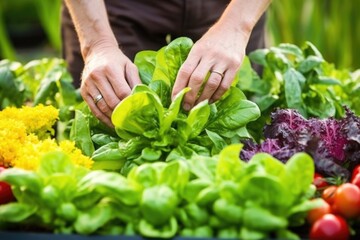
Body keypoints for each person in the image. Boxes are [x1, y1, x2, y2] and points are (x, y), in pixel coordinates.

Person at [61, 0, 271, 127]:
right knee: (111, 113)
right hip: (111, 9)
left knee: (239, 133)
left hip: (233, 6)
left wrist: (237, 27)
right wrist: (97, 44)